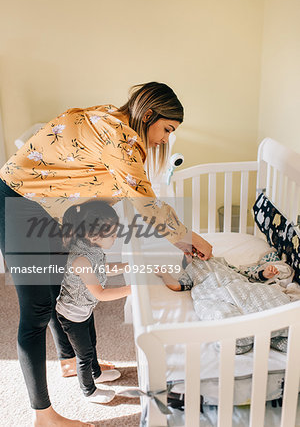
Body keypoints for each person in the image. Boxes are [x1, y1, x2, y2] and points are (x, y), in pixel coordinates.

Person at [0, 81, 213, 426]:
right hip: (20, 202)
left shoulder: (113, 120)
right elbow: (146, 202)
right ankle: (43, 417)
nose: (164, 139)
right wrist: (190, 238)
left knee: (56, 287)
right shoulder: (122, 138)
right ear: (148, 115)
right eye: (166, 129)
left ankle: (69, 361)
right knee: (35, 311)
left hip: (48, 208)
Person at [56, 200, 130, 404]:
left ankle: (96, 373)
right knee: (84, 354)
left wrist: (127, 266)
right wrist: (131, 289)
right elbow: (101, 293)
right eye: (113, 234)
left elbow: (102, 270)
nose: (116, 237)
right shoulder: (80, 260)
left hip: (84, 310)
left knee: (92, 344)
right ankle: (88, 391)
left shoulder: (92, 248)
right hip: (72, 315)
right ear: (95, 235)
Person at [156, 252, 294, 354]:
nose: (194, 254)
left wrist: (264, 274)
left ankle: (273, 332)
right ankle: (255, 335)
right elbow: (177, 285)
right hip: (212, 294)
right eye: (189, 253)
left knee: (269, 300)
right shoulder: (190, 271)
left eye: (196, 250)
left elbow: (245, 273)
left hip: (240, 286)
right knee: (220, 315)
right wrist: (165, 275)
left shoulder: (221, 263)